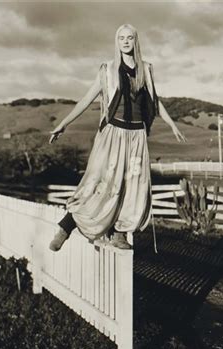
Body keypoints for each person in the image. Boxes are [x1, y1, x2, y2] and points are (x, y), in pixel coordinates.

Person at [48, 24, 186, 251]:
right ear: (116, 41)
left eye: (129, 38)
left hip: (137, 137)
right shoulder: (108, 70)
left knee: (132, 186)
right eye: (121, 38)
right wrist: (64, 123)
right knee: (100, 184)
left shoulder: (146, 69)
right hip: (113, 135)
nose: (125, 41)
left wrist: (171, 124)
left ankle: (119, 233)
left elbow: (154, 100)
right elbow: (86, 99)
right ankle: (65, 227)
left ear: (135, 41)